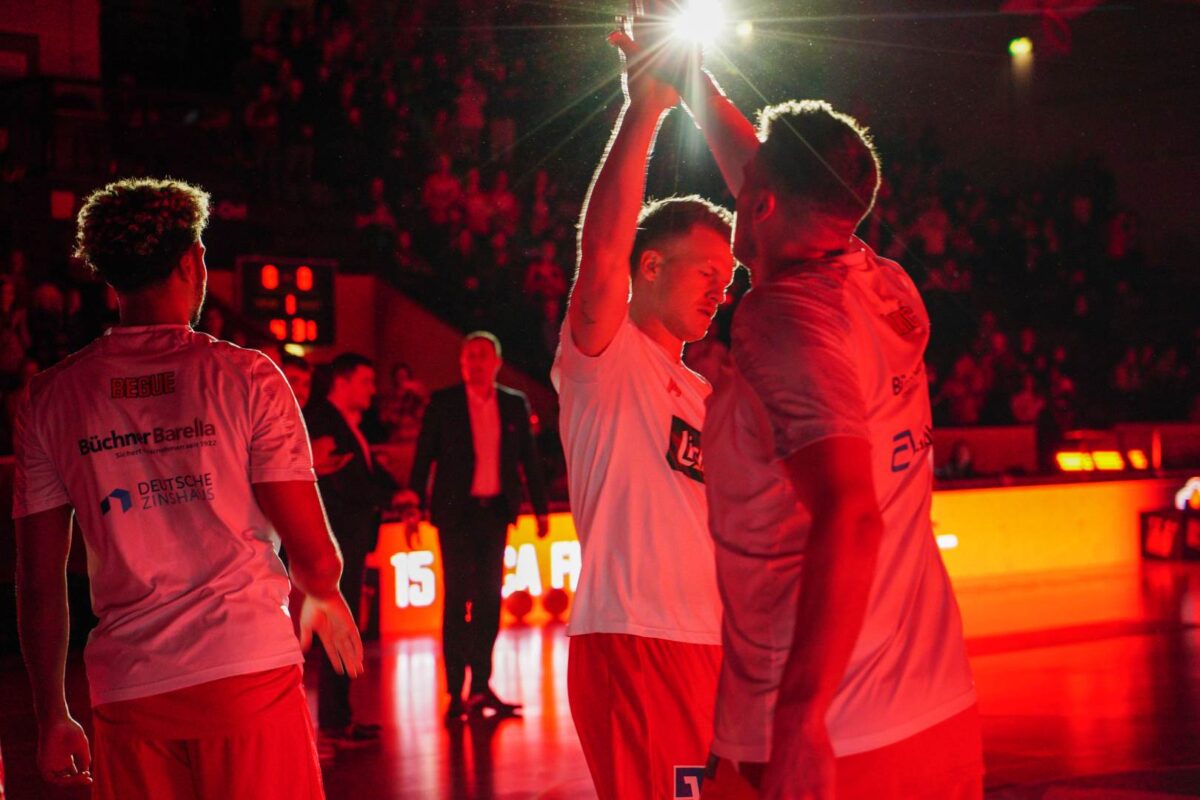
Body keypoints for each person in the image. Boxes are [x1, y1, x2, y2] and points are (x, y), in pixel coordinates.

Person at [623, 20, 982, 798]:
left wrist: (802, 718)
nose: (737, 188)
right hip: (936, 707)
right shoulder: (884, 282)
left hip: (837, 737)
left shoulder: (784, 319)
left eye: (748, 185)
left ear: (762, 201)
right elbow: (768, 177)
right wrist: (689, 76)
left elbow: (850, 514)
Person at [14, 177, 362, 799]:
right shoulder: (249, 378)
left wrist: (52, 715)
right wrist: (325, 590)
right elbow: (313, 556)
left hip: (128, 690)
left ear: (108, 274)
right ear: (192, 261)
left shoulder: (50, 397)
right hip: (247, 675)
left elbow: (39, 583)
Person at [550, 19, 734, 799]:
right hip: (636, 640)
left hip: (716, 650)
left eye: (728, 279)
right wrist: (645, 110)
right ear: (650, 266)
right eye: (706, 273)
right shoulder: (606, 358)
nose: (720, 292)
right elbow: (600, 254)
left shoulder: (708, 397)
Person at [404, 332, 549, 722]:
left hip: (495, 512)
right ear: (461, 363)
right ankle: (455, 690)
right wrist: (413, 503)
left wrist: (540, 509)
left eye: (483, 356)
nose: (475, 363)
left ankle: (481, 685)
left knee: (488, 600)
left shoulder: (513, 403)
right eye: (469, 356)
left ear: (497, 362)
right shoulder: (444, 402)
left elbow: (529, 460)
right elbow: (424, 457)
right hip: (456, 513)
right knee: (457, 599)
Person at [304, 353, 402, 748]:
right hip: (338, 540)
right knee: (338, 627)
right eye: (366, 381)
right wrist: (391, 497)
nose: (373, 390)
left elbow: (364, 475)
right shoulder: (325, 422)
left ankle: (340, 718)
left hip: (347, 539)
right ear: (341, 382)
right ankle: (334, 721)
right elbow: (349, 484)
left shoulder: (343, 424)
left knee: (343, 627)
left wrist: (394, 493)